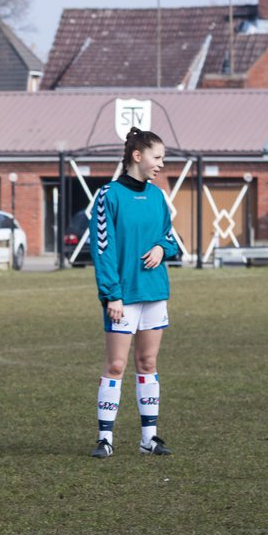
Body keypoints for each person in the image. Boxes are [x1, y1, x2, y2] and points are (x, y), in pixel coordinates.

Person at [89, 126, 181, 459]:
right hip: (123, 296)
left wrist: (161, 247)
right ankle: (105, 438)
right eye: (157, 157)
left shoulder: (157, 196)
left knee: (148, 361)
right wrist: (111, 294)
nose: (161, 164)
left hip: (154, 292)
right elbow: (103, 248)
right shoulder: (108, 195)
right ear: (137, 156)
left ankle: (149, 438)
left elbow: (170, 237)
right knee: (115, 365)